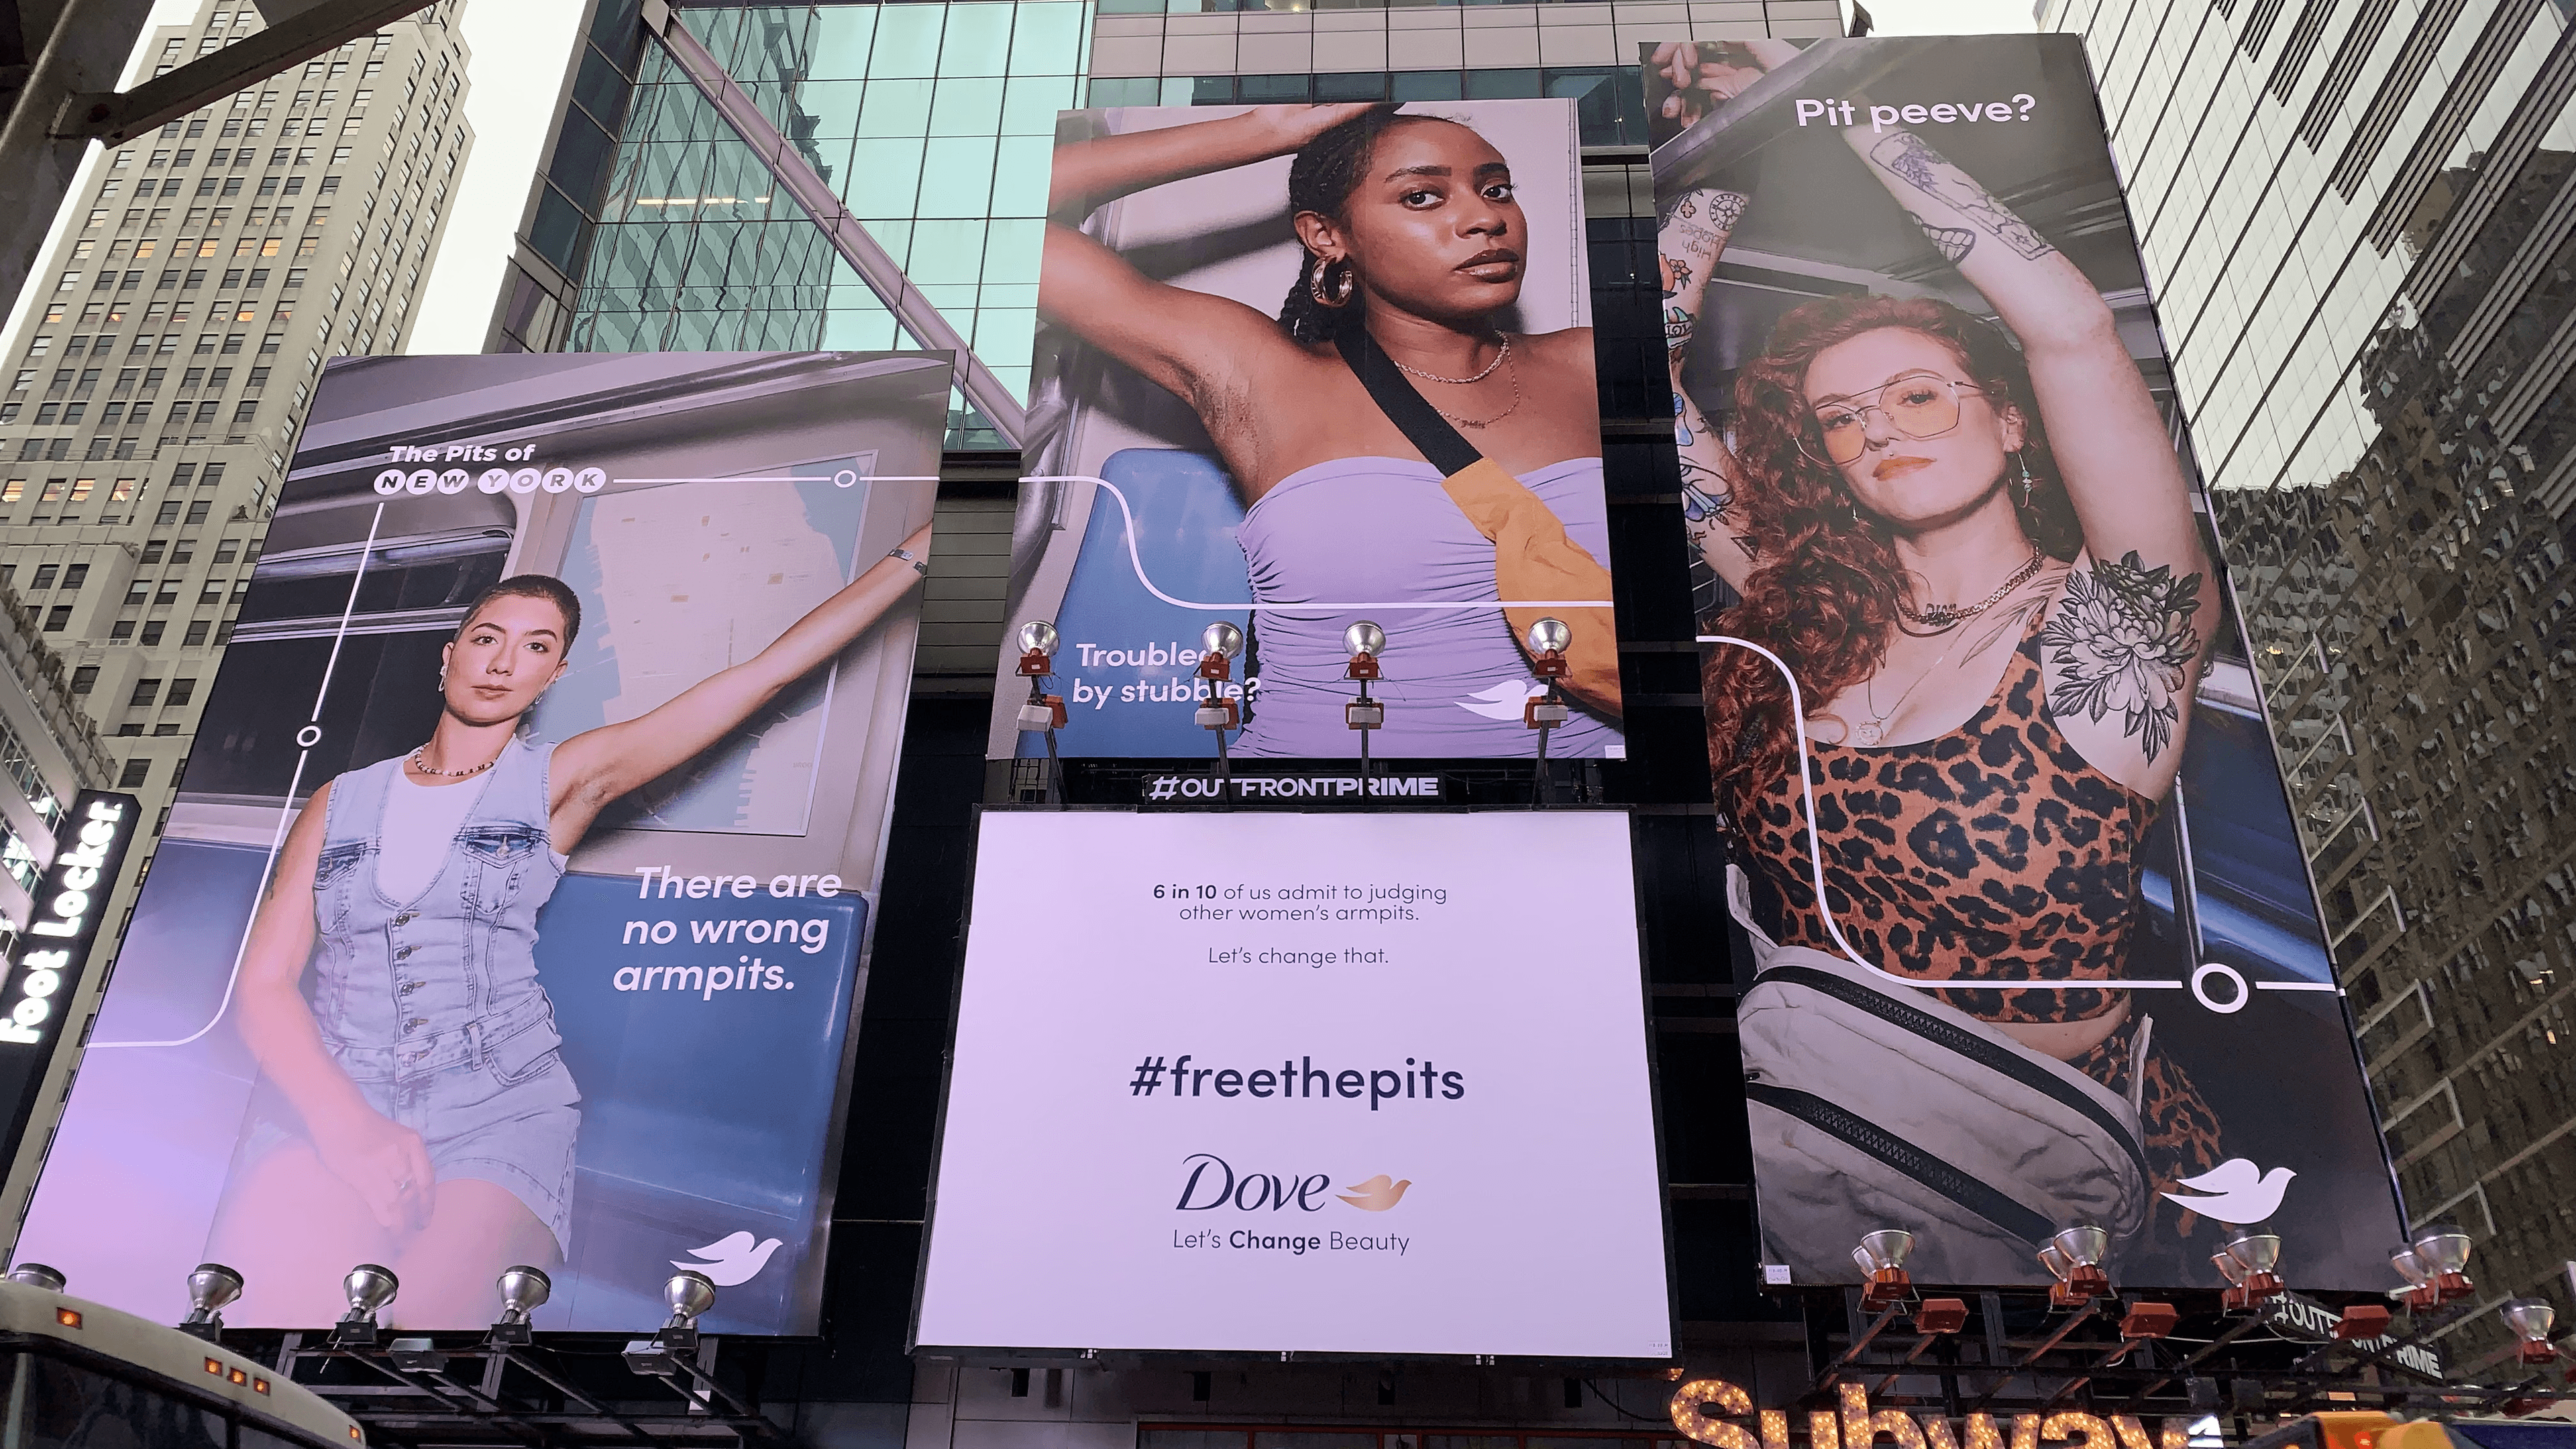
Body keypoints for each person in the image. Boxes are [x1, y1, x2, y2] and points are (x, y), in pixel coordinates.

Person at [1660, 102, 2229, 1262]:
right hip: (1815, 1147)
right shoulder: (1802, 613)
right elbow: (1647, 372)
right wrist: (1729, 154)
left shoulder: (2111, 634)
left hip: (2047, 1188)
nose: (1880, 432)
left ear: (2011, 422)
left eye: (1917, 395)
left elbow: (2070, 331)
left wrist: (1842, 107)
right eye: (1841, 419)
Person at [204, 530, 932, 1326]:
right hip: (337, 1091)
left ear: (555, 674)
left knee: (421, 1339)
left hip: (500, 1103)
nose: (502, 662)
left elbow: (763, 677)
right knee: (266, 1319)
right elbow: (267, 986)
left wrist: (916, 556)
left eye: (535, 647)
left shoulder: (563, 780)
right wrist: (346, 1127)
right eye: (486, 639)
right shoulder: (338, 800)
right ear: (446, 656)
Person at [1042, 102, 1620, 755]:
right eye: (1424, 196)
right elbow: (996, 212)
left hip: (1593, 804)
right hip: (1317, 808)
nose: (1486, 218)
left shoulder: (1593, 366)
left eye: (1496, 190)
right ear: (1326, 235)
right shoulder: (1264, 379)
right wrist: (1264, 130)